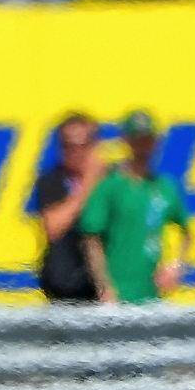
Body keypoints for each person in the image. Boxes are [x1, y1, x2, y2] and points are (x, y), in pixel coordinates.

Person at [80, 110, 188, 305]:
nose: (142, 147)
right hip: (119, 294)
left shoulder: (165, 186)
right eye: (136, 140)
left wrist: (176, 265)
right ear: (125, 141)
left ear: (156, 142)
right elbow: (91, 237)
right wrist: (104, 287)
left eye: (147, 140)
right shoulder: (110, 185)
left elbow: (185, 230)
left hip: (153, 295)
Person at [34, 113, 103, 304]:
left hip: (104, 290)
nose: (74, 152)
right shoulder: (51, 181)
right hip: (64, 291)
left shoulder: (112, 182)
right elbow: (53, 228)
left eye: (82, 145)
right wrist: (87, 186)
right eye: (67, 145)